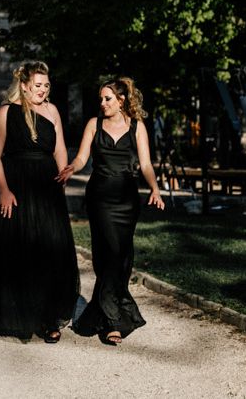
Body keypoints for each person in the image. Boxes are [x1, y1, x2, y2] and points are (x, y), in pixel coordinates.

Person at [58, 76, 165, 346]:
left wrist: (154, 188)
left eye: (107, 98)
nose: (102, 103)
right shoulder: (94, 124)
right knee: (109, 252)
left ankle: (106, 312)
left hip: (127, 199)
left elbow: (146, 164)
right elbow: (83, 157)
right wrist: (72, 166)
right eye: (101, 99)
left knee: (123, 254)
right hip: (101, 197)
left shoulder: (137, 127)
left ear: (121, 100)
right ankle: (113, 321)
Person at [0, 62, 79, 342]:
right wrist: (4, 190)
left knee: (49, 250)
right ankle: (19, 315)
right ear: (23, 85)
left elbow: (59, 148)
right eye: (38, 85)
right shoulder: (6, 113)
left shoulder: (52, 111)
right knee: (19, 250)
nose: (43, 90)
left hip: (46, 187)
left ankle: (49, 318)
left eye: (46, 85)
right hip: (15, 184)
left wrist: (62, 179)